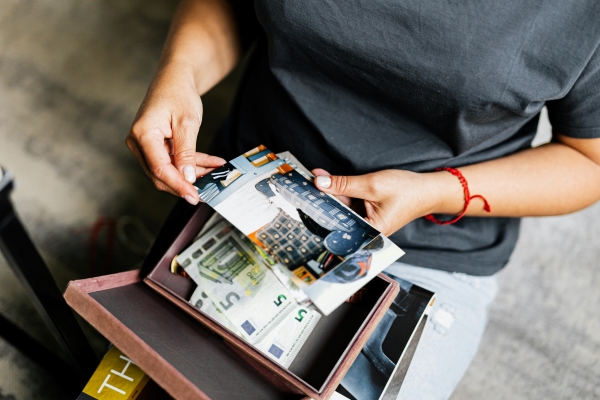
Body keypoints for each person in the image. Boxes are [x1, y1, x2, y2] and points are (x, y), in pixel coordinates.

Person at [126, 1, 600, 398]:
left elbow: (590, 161)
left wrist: (436, 191)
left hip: (425, 250)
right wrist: (179, 74)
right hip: (250, 198)